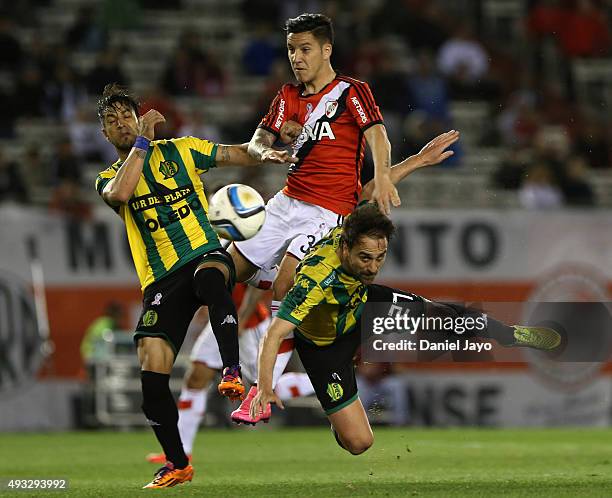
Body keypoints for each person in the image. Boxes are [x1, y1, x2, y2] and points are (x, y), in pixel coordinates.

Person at [250, 203, 561, 455]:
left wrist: (417, 161)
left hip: (363, 309)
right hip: (324, 348)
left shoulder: (353, 231)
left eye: (380, 257)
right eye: (364, 258)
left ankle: (508, 334)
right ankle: (340, 422)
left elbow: (373, 191)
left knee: (439, 313)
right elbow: (273, 334)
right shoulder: (315, 281)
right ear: (344, 247)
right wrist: (264, 387)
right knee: (359, 444)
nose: (372, 267)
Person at [226, 12, 404, 424]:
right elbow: (259, 138)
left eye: (305, 49)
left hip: (328, 211)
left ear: (326, 50)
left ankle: (258, 389)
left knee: (288, 282)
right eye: (291, 49)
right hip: (287, 201)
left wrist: (379, 175)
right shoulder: (287, 95)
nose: (297, 57)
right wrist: (264, 149)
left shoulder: (351, 91)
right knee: (226, 269)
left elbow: (377, 133)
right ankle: (256, 296)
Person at [94, 83, 272, 488]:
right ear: (104, 134)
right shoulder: (107, 177)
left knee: (211, 277)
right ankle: (178, 464)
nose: (120, 124)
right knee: (151, 376)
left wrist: (271, 147)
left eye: (127, 116)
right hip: (160, 279)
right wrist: (142, 140)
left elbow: (240, 152)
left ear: (138, 116)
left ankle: (231, 371)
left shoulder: (182, 149)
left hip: (203, 252)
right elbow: (122, 193)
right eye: (112, 121)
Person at [145, 284, 314, 463]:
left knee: (267, 387)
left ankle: (322, 381)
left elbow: (257, 282)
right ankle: (180, 451)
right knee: (196, 378)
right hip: (220, 321)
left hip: (249, 325)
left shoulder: (242, 255)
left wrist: (242, 316)